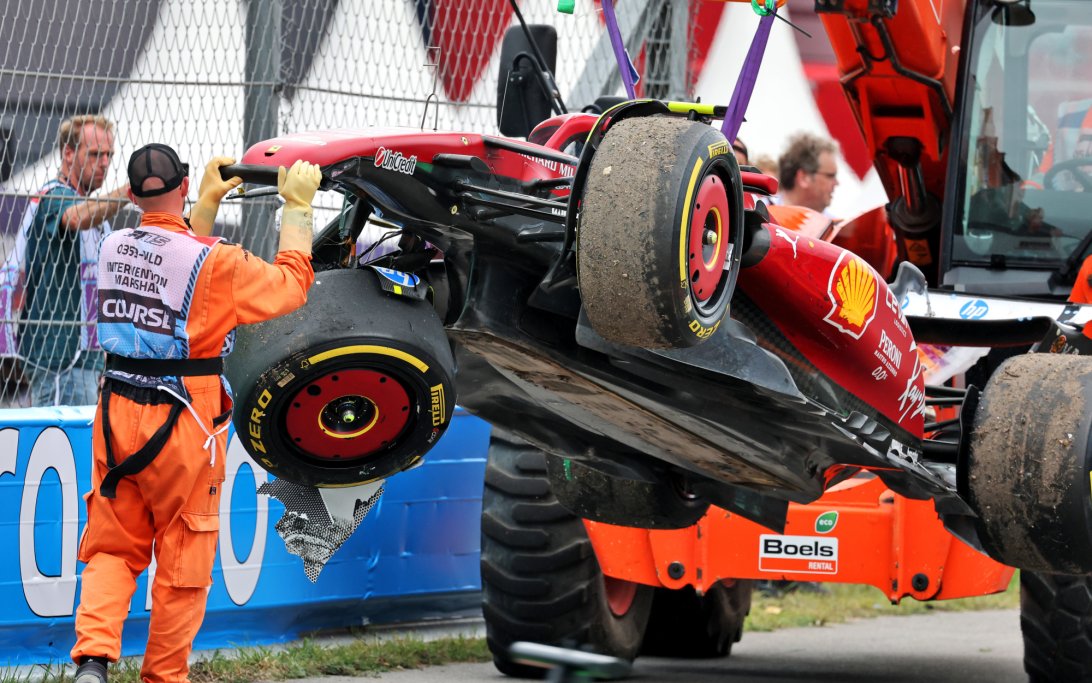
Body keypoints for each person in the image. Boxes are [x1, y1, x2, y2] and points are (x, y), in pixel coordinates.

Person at [70, 144, 322, 683]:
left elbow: (173, 257)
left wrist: (201, 203)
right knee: (184, 562)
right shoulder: (220, 262)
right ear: (182, 184)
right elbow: (290, 287)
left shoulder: (116, 245)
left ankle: (93, 659)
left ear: (133, 195)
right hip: (186, 421)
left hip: (116, 413)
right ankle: (164, 676)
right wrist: (298, 208)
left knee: (113, 545)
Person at [15, 114, 131, 406]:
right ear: (68, 153)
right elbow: (75, 217)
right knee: (60, 447)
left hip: (87, 357)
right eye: (95, 154)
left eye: (109, 155)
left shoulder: (97, 214)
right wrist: (129, 192)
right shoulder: (53, 196)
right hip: (60, 357)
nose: (104, 163)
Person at [777, 131, 840, 214]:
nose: (837, 183)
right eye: (830, 176)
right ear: (803, 177)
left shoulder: (835, 225)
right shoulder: (758, 217)